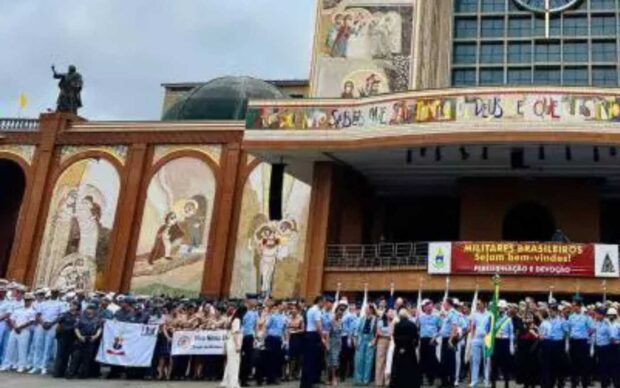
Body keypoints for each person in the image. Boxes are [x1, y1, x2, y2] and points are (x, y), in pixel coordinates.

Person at [0, 292, 35, 372]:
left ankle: (21, 365)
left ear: (31, 301)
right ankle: (7, 364)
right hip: (14, 330)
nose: (27, 301)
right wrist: (15, 327)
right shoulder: (19, 309)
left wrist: (20, 327)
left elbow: (31, 322)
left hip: (24, 331)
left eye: (29, 300)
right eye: (26, 300)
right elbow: (12, 319)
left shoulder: (32, 311)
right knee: (10, 347)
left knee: (22, 349)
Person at [67, 304, 101, 379]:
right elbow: (76, 328)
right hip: (81, 338)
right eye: (88, 308)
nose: (89, 310)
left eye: (91, 309)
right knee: (76, 357)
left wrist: (95, 336)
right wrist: (79, 336)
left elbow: (99, 329)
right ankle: (70, 373)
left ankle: (83, 374)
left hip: (91, 339)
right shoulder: (80, 317)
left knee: (86, 359)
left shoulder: (97, 319)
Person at [390, 307, 420, 388]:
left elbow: (395, 338)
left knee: (399, 369)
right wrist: (413, 346)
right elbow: (416, 337)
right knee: (410, 369)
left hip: (399, 350)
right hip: (410, 350)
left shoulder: (397, 325)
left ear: (399, 316)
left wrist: (400, 347)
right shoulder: (412, 325)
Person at [567, 297, 592, 388]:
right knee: (573, 363)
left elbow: (592, 329)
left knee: (584, 364)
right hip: (573, 342)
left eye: (575, 306)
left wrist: (585, 335)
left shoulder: (586, 317)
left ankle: (584, 384)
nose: (574, 308)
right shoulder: (571, 317)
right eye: (573, 306)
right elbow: (569, 329)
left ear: (580, 306)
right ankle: (574, 383)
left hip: (582, 342)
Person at [301, 295, 324, 388]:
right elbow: (318, 326)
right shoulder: (317, 311)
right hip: (314, 335)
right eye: (323, 302)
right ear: (320, 301)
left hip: (308, 334)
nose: (323, 304)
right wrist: (322, 336)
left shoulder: (310, 309)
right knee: (312, 361)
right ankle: (309, 383)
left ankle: (305, 383)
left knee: (307, 360)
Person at [53, 301, 80, 378]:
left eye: (75, 304)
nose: (73, 306)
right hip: (63, 337)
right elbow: (57, 322)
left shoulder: (79, 315)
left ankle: (67, 372)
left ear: (77, 306)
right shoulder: (64, 314)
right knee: (61, 355)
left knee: (69, 356)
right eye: (72, 305)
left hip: (73, 337)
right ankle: (58, 372)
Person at [221, 305, 245, 388]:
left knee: (230, 364)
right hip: (234, 343)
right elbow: (235, 333)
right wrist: (237, 345)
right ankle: (233, 384)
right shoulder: (237, 320)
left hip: (230, 343)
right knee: (235, 364)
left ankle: (227, 382)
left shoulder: (232, 319)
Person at [491, 301, 513, 388]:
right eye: (499, 307)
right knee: (494, 365)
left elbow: (511, 333)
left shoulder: (508, 319)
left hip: (505, 342)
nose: (500, 309)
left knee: (505, 365)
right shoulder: (494, 319)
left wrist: (511, 346)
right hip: (496, 342)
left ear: (505, 309)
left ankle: (506, 384)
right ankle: (493, 384)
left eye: (502, 307)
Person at [418, 299, 440, 386]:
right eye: (427, 305)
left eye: (430, 305)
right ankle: (423, 378)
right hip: (423, 340)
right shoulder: (420, 317)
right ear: (424, 307)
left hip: (432, 340)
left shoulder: (436, 317)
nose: (429, 307)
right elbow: (417, 328)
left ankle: (432, 378)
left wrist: (435, 336)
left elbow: (440, 328)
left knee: (432, 359)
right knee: (423, 359)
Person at [469, 299, 491, 388]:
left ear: (484, 304)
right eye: (477, 304)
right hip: (476, 339)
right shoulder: (475, 315)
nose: (478, 305)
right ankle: (474, 381)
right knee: (475, 361)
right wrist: (472, 339)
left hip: (486, 339)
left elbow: (491, 328)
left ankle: (486, 382)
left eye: (480, 304)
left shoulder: (490, 314)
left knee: (486, 361)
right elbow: (473, 327)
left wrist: (489, 338)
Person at [354, 303, 377, 385]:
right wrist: (355, 340)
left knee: (368, 360)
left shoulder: (376, 319)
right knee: (359, 359)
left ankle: (366, 380)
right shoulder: (361, 318)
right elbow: (357, 330)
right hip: (361, 339)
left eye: (367, 308)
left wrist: (374, 340)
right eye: (365, 308)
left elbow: (377, 331)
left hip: (370, 339)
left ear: (371, 310)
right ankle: (358, 380)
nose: (365, 310)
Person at [439, 298, 460, 388]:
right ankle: (444, 382)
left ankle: (451, 382)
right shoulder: (447, 314)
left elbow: (454, 328)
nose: (443, 306)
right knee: (444, 361)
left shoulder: (453, 313)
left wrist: (451, 340)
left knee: (451, 362)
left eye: (444, 304)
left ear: (448, 304)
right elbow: (444, 328)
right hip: (444, 339)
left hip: (450, 339)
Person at [593, 307, 613, 388]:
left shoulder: (607, 323)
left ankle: (605, 383)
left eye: (597, 314)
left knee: (604, 367)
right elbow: (595, 333)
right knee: (600, 366)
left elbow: (611, 336)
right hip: (598, 347)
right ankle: (604, 381)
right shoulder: (596, 323)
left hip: (605, 348)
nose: (596, 315)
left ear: (602, 315)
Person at [240, 295, 258, 386]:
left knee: (248, 359)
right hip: (241, 337)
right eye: (254, 300)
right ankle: (238, 378)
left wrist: (256, 336)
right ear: (248, 301)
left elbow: (255, 325)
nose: (255, 302)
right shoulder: (242, 311)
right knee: (240, 358)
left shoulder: (255, 313)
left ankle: (244, 379)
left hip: (250, 337)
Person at [339, 303, 358, 382]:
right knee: (344, 357)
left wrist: (354, 337)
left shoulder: (356, 316)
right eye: (351, 306)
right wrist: (350, 336)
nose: (353, 307)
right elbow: (344, 326)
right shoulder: (346, 316)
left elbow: (356, 327)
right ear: (349, 307)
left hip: (353, 337)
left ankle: (350, 373)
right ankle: (342, 375)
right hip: (346, 336)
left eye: (354, 306)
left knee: (351, 356)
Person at [327, 304, 344, 386]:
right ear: (336, 312)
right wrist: (327, 344)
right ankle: (332, 378)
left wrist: (341, 342)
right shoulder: (331, 321)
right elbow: (328, 334)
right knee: (332, 361)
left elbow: (341, 333)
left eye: (341, 313)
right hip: (332, 341)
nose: (340, 314)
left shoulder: (341, 322)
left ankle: (333, 377)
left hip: (338, 342)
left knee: (336, 361)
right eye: (339, 312)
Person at [375, 308, 393, 386]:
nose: (391, 313)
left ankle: (387, 381)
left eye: (392, 312)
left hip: (390, 342)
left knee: (388, 361)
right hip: (381, 341)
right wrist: (387, 334)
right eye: (390, 312)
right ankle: (379, 381)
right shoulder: (381, 321)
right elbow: (378, 332)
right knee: (380, 361)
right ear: (386, 314)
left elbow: (392, 333)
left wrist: (387, 334)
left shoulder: (392, 322)